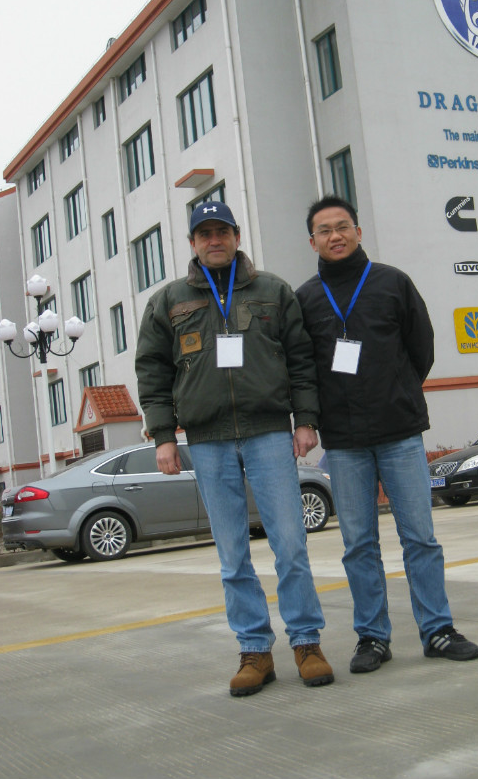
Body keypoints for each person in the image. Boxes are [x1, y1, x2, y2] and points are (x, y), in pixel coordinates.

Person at [135, 201, 334, 696]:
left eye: (221, 231)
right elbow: (153, 373)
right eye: (204, 234)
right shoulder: (168, 301)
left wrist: (306, 420)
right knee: (232, 555)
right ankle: (255, 651)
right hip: (208, 441)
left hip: (269, 433)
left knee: (290, 545)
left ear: (237, 236)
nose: (214, 240)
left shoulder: (273, 291)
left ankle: (307, 643)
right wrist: (164, 436)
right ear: (192, 243)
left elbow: (301, 360)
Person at [296, 194, 478, 673]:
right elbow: (303, 368)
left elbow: (422, 349)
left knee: (420, 537)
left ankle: (437, 630)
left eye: (343, 226)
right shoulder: (306, 299)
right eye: (324, 230)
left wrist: (396, 391)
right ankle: (372, 638)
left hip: (399, 432)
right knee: (359, 544)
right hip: (344, 442)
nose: (335, 236)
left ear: (358, 232)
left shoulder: (392, 282)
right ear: (312, 241)